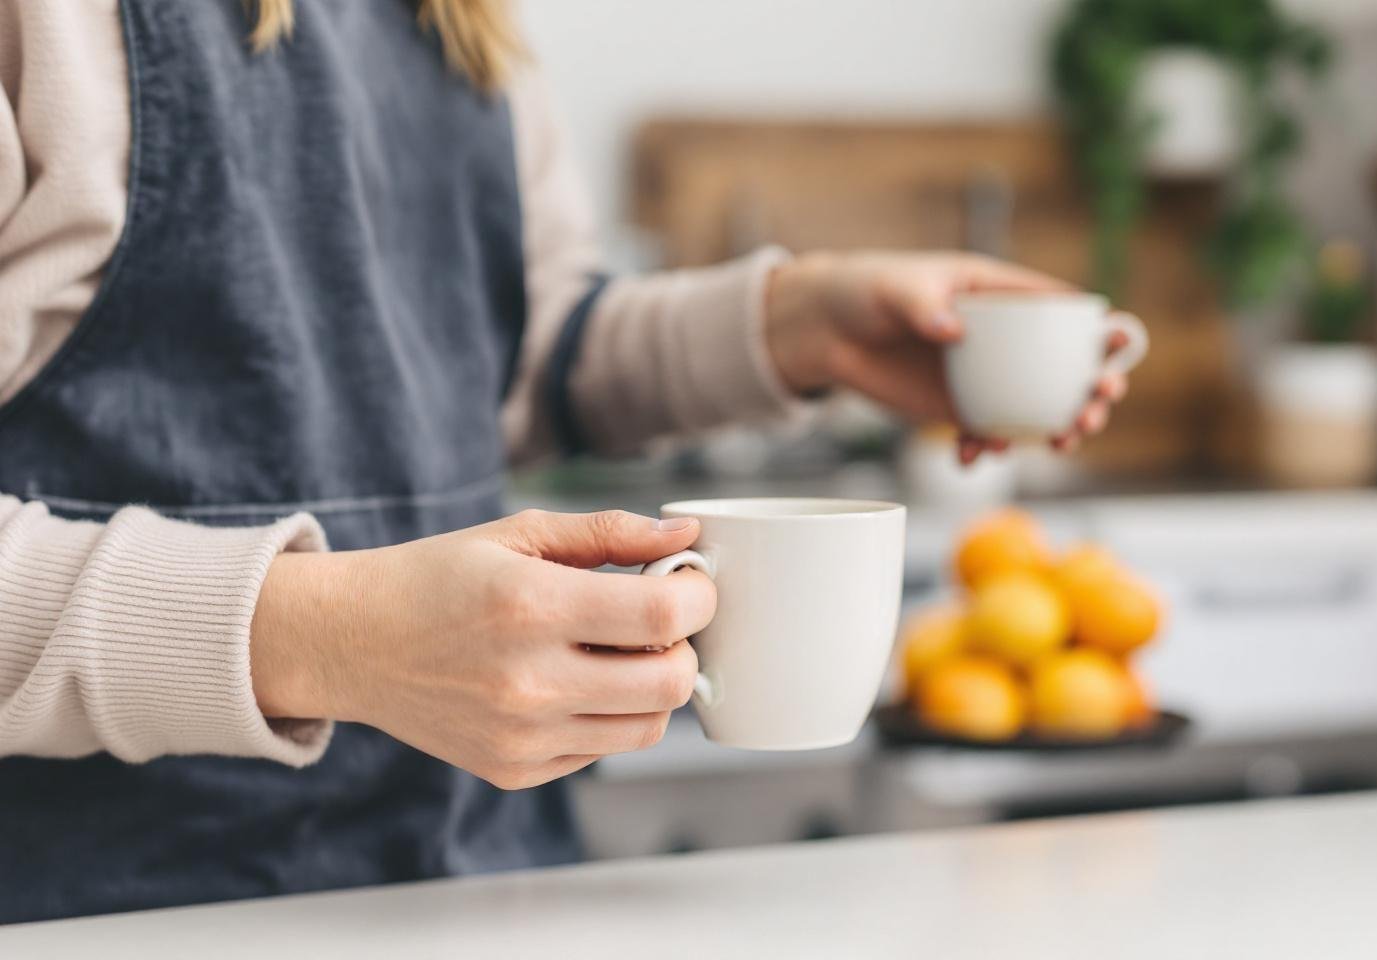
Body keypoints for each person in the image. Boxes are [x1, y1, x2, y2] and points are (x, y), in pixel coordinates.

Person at [0, 0, 1130, 924]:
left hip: (484, 885)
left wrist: (799, 324)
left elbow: (523, 360)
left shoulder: (461, 15)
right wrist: (326, 636)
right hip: (109, 909)